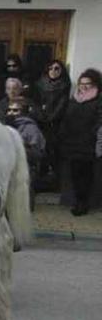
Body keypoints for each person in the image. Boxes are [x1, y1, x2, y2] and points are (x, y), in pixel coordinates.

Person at [58, 69, 102, 216]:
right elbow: (66, 118)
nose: (83, 86)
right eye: (81, 83)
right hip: (72, 143)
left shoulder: (98, 100)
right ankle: (78, 201)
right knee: (75, 175)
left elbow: (99, 121)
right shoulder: (74, 99)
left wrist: (91, 134)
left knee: (86, 176)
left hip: (88, 144)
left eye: (87, 84)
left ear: (95, 84)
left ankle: (83, 204)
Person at [36, 59, 71, 187]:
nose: (53, 71)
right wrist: (40, 116)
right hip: (41, 122)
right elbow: (36, 103)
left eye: (57, 68)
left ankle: (55, 182)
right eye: (51, 68)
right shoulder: (40, 84)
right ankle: (40, 181)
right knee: (41, 150)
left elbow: (62, 104)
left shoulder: (64, 85)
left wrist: (51, 118)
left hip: (57, 123)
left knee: (54, 152)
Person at [4, 99, 45, 206]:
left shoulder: (31, 128)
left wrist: (20, 146)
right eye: (9, 110)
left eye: (15, 110)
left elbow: (37, 153)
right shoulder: (6, 125)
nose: (11, 113)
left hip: (26, 167)